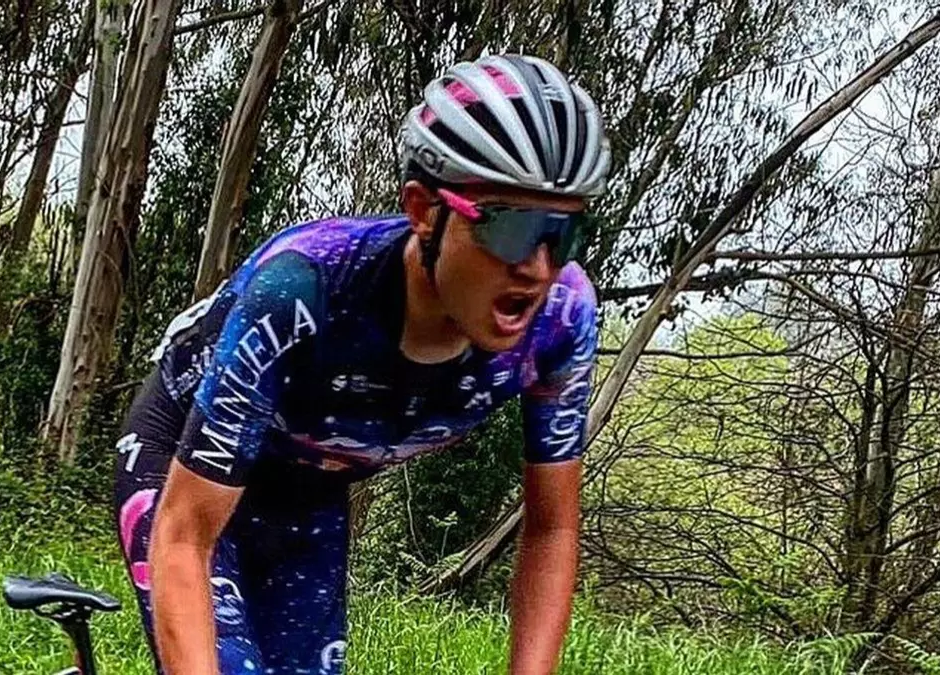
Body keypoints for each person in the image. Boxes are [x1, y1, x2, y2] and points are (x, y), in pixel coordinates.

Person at [113, 52, 609, 675]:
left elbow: (552, 529)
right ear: (424, 211)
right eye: (510, 229)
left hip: (308, 487)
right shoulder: (304, 288)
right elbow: (185, 538)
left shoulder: (560, 319)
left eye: (562, 236)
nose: (536, 268)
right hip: (182, 462)